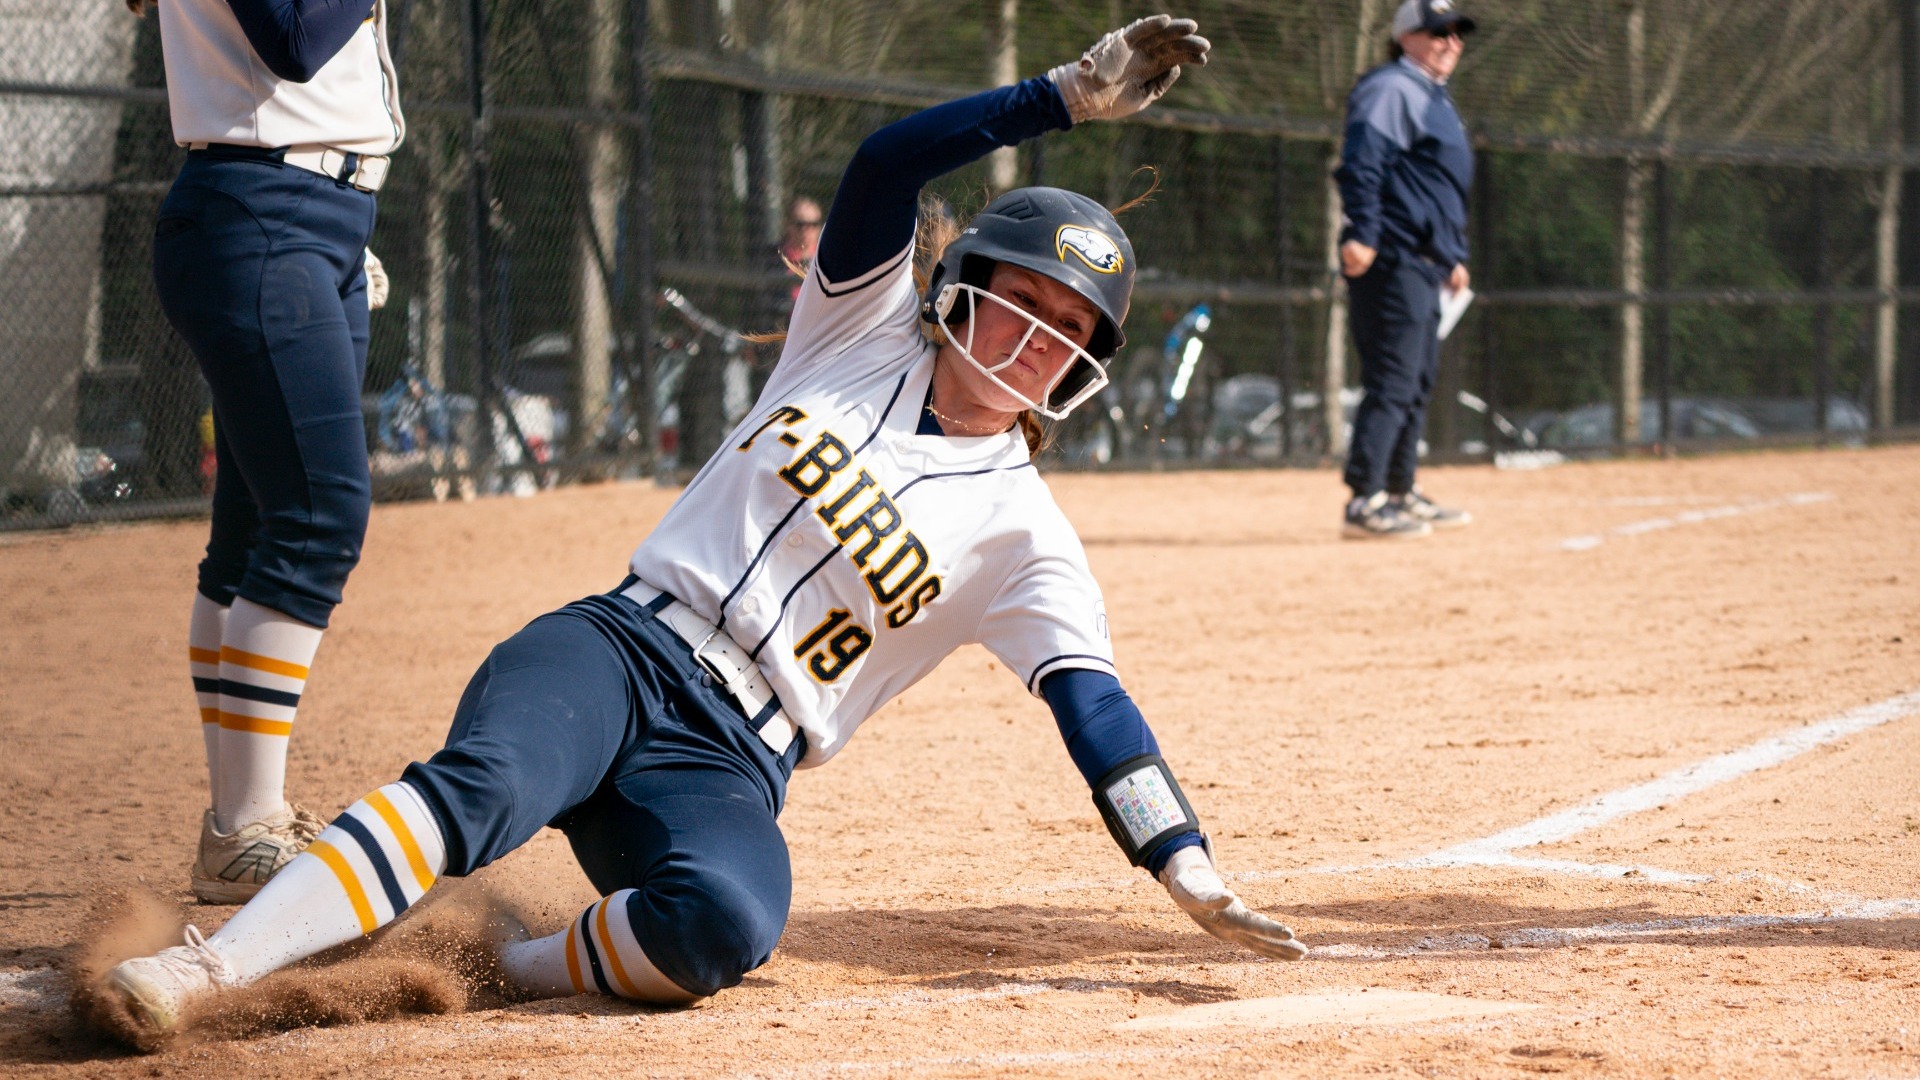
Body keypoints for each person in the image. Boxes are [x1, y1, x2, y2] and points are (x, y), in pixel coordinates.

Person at [99, 14, 1309, 1043]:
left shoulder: (1024, 536)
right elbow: (888, 165)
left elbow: (1099, 714)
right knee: (480, 789)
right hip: (618, 655)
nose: (1035, 339)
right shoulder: (859, 333)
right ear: (964, 288)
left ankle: (494, 967)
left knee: (728, 925)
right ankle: (200, 971)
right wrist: (1058, 97)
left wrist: (1184, 862)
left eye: (1068, 332)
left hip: (733, 763)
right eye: (1020, 302)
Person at [129, 0, 404, 900]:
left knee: (253, 533)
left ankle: (241, 827)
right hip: (261, 213)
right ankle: (245, 829)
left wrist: (344, 225)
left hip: (313, 215)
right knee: (319, 518)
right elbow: (293, 40)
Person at [1334, 0, 1477, 539]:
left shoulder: (1431, 96)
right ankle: (1364, 501)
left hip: (1424, 262)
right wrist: (1363, 233)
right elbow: (1363, 161)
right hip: (1390, 256)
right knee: (1392, 380)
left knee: (1415, 380)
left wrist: (1451, 255)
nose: (1451, 41)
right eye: (1439, 31)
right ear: (1406, 37)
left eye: (1458, 32)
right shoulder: (1392, 87)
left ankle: (1400, 489)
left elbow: (1434, 188)